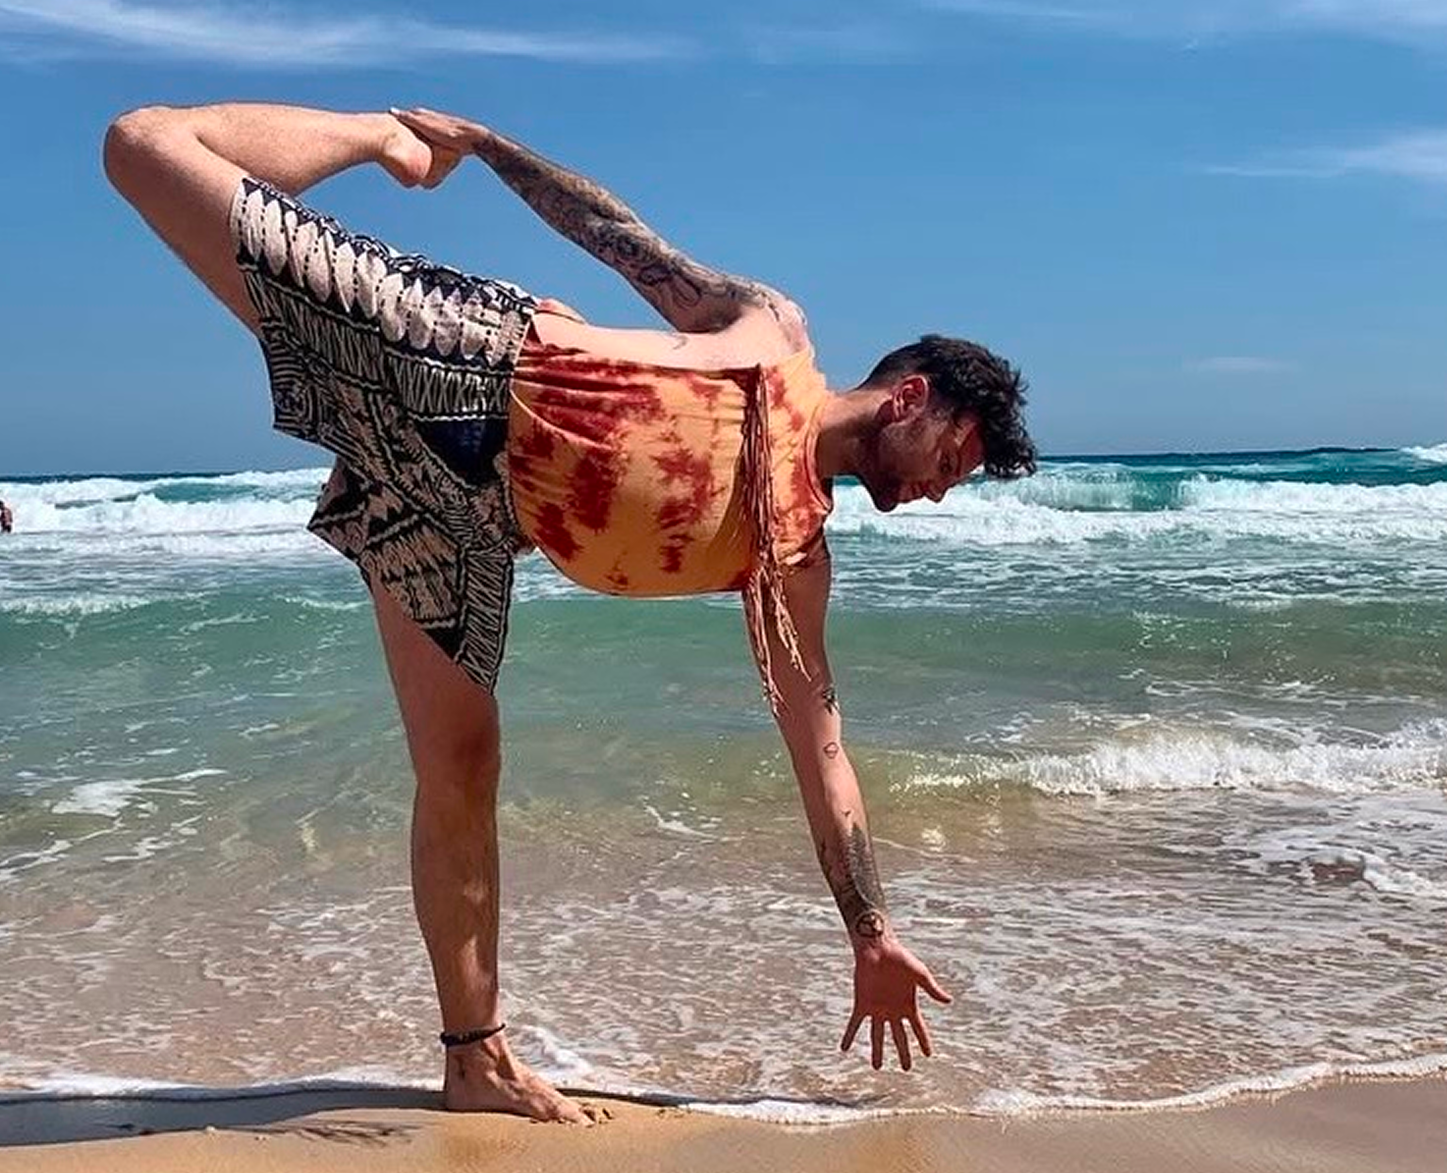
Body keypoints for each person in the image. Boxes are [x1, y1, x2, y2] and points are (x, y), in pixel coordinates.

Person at [102, 100, 1035, 1124]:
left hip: (459, 520)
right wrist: (486, 150)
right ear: (910, 397)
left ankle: (475, 1057)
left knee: (461, 765)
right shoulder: (773, 336)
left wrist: (870, 933)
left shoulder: (791, 560)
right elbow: (620, 241)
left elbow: (822, 751)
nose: (943, 489)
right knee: (146, 148)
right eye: (954, 459)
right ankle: (374, 134)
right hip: (452, 354)